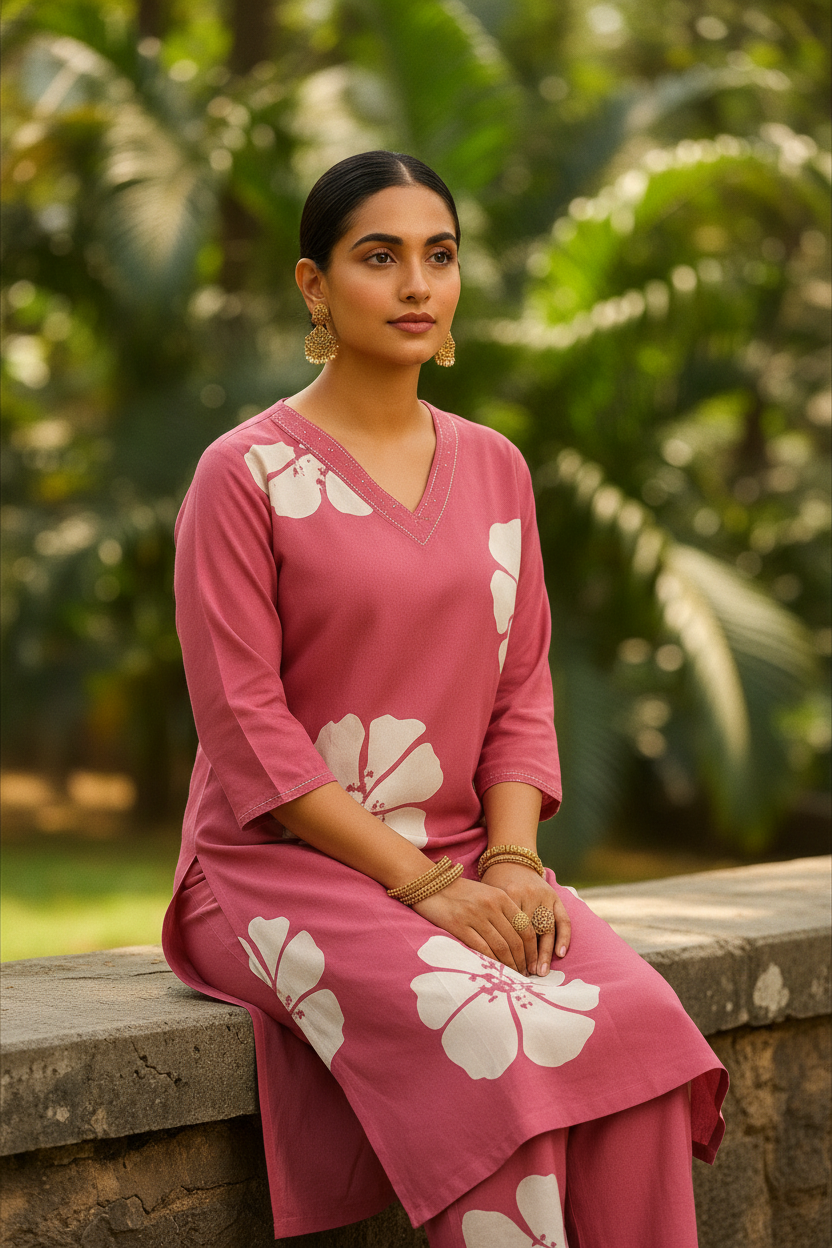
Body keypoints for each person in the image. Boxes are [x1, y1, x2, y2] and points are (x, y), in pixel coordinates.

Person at [162, 150, 727, 1247]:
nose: (418, 283)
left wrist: (508, 866)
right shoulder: (244, 476)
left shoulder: (496, 468)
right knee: (498, 1044)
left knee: (641, 1033)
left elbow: (521, 695)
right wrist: (424, 888)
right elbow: (249, 734)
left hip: (469, 856)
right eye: (380, 258)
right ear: (313, 287)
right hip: (277, 870)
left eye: (440, 255)